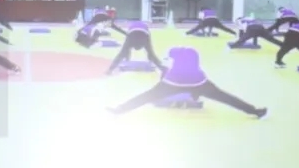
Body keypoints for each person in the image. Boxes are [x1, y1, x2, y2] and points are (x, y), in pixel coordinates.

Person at [108, 47, 267, 118]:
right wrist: (195, 94)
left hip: (174, 83)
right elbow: (199, 71)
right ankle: (255, 111)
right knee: (225, 97)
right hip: (198, 83)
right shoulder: (193, 56)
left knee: (147, 96)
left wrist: (161, 82)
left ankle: (120, 109)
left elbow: (165, 70)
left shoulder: (174, 59)